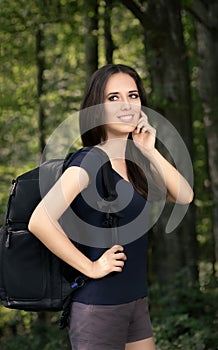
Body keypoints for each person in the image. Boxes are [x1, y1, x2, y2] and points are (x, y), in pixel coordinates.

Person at [29, 64, 194, 350]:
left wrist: (149, 150)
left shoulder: (136, 164)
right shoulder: (90, 161)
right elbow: (40, 220)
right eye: (114, 98)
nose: (127, 104)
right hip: (98, 308)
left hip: (135, 304)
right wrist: (91, 267)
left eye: (133, 95)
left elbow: (184, 195)